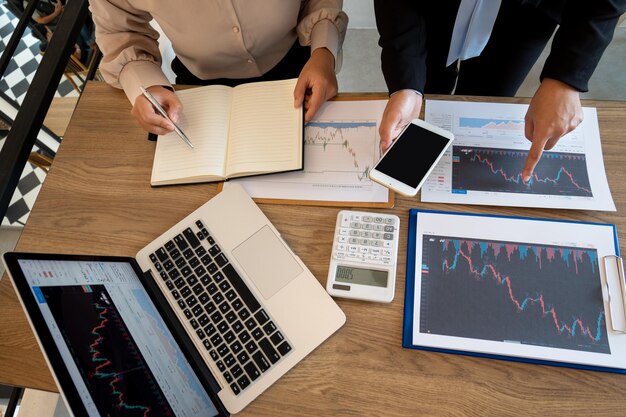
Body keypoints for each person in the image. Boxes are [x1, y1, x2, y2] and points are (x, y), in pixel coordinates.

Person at [374, 0, 626, 182]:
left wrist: (566, 78)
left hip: (527, 12)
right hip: (431, 9)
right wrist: (407, 85)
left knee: (489, 97)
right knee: (426, 90)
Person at [89, 1, 348, 136]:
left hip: (299, 60)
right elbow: (120, 30)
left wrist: (324, 50)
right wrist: (144, 86)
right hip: (199, 85)